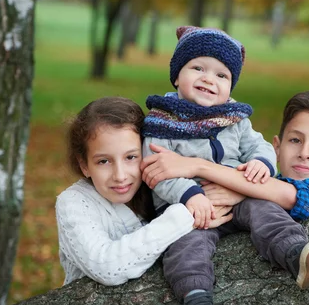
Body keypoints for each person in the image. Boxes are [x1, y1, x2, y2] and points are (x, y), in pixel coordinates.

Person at [142, 26, 309, 305]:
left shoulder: (236, 120)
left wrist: (260, 163)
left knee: (266, 209)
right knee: (186, 245)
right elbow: (157, 174)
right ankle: (197, 301)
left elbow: (258, 146)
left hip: (238, 195)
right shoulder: (161, 121)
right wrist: (191, 195)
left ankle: (295, 252)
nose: (208, 78)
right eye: (198, 68)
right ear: (177, 76)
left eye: (221, 75)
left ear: (230, 87)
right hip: (187, 208)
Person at [55, 97, 233, 288]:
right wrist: (187, 216)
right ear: (84, 165)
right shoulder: (73, 202)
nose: (120, 175)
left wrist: (237, 190)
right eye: (103, 161)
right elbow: (106, 267)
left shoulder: (163, 186)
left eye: (131, 157)